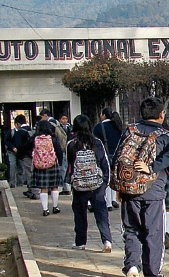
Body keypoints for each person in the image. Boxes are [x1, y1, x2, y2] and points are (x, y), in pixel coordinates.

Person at [119, 97, 169, 277]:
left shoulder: (129, 131)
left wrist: (119, 188)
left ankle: (132, 267)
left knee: (131, 230)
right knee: (154, 234)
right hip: (154, 191)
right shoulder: (164, 136)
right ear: (161, 114)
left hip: (129, 190)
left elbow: (117, 159)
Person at [66, 114, 112, 252]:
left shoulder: (71, 143)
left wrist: (70, 182)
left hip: (80, 186)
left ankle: (80, 242)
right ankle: (107, 241)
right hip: (97, 185)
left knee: (80, 214)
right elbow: (104, 163)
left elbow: (70, 165)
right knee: (101, 213)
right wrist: (105, 182)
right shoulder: (96, 142)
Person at [28, 120, 64, 216]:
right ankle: (55, 207)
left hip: (39, 165)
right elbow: (59, 150)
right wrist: (60, 162)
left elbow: (27, 147)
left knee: (43, 188)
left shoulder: (34, 138)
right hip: (52, 163)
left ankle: (45, 209)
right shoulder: (52, 138)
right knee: (54, 186)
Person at [93, 107, 123, 211]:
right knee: (113, 177)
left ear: (103, 115)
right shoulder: (118, 126)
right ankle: (113, 199)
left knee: (105, 178)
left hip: (104, 155)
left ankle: (108, 203)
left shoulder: (98, 127)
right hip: (117, 155)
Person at [40, 108, 71, 195]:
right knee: (63, 169)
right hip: (62, 150)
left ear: (45, 116)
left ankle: (60, 187)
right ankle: (63, 187)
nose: (65, 121)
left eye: (66, 119)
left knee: (62, 169)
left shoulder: (52, 125)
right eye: (63, 119)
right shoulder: (57, 125)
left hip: (58, 151)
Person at [5, 116, 28, 188]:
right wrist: (12, 147)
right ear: (16, 124)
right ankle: (12, 182)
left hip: (20, 152)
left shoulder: (24, 132)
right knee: (12, 165)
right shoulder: (11, 132)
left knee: (20, 167)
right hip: (12, 151)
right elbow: (6, 141)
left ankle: (20, 183)